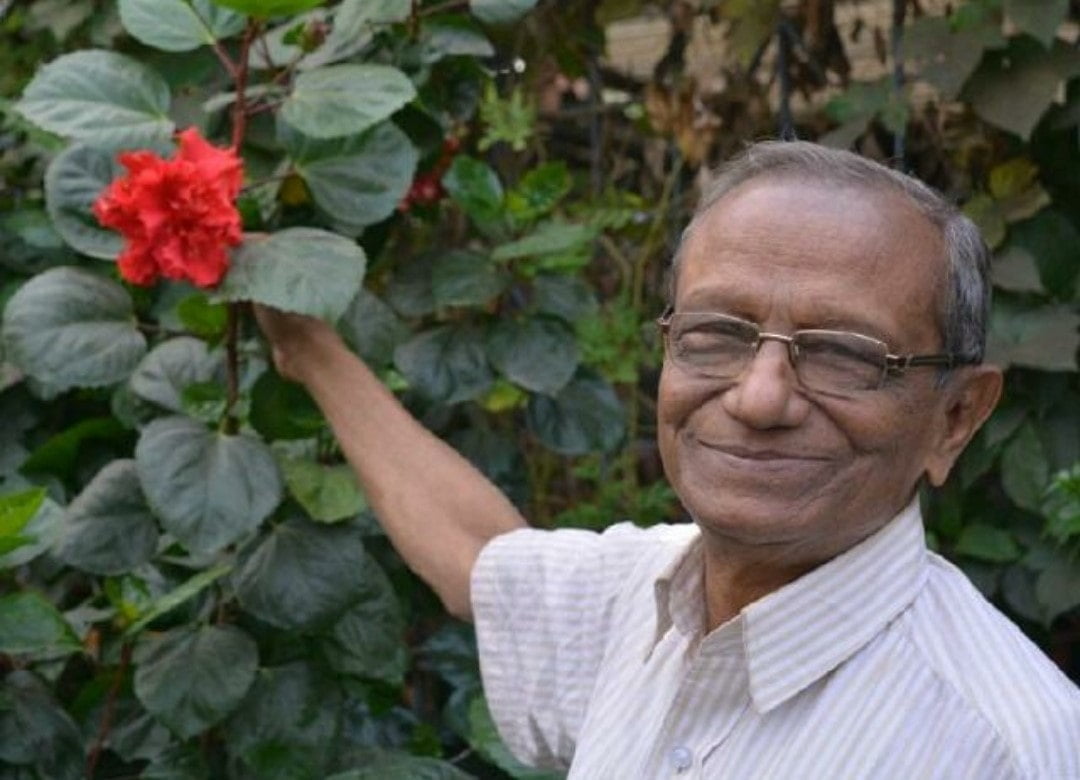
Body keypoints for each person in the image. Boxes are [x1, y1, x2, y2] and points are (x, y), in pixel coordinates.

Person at [256, 141, 1080, 777]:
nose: (760, 398)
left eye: (842, 354)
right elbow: (474, 556)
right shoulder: (643, 601)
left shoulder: (1003, 747)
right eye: (716, 334)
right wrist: (306, 345)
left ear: (956, 418)